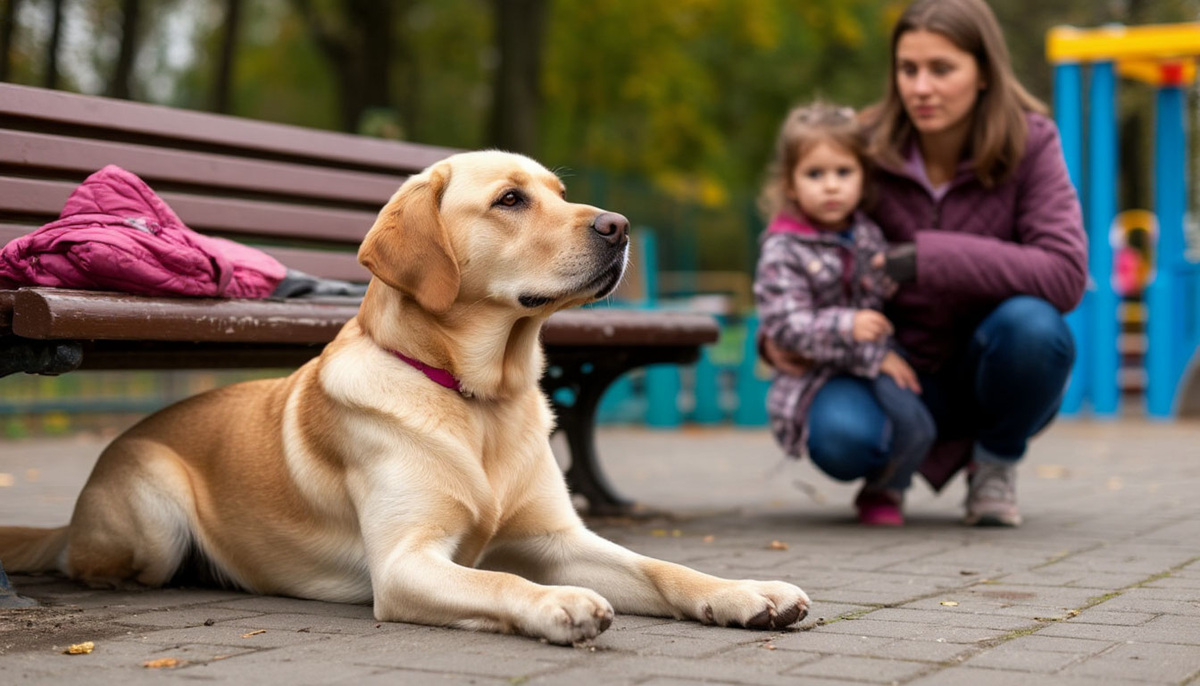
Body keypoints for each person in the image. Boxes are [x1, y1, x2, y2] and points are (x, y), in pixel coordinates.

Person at [762, 0, 1088, 527]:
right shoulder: (861, 142)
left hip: (985, 364)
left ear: (983, 72)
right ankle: (888, 468)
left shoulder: (1031, 143)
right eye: (908, 69)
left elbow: (1066, 273)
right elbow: (796, 241)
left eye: (942, 69)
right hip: (881, 361)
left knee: (1036, 330)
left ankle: (996, 463)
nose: (921, 87)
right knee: (840, 439)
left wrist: (929, 257)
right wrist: (778, 335)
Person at [753, 102, 937, 526]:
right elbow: (786, 324)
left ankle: (888, 487)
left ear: (863, 177)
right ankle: (875, 482)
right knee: (849, 434)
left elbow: (881, 294)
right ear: (792, 184)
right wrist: (849, 326)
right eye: (815, 175)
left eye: (843, 172)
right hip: (817, 376)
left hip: (871, 361)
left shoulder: (868, 232)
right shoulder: (784, 247)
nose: (831, 186)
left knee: (918, 424)